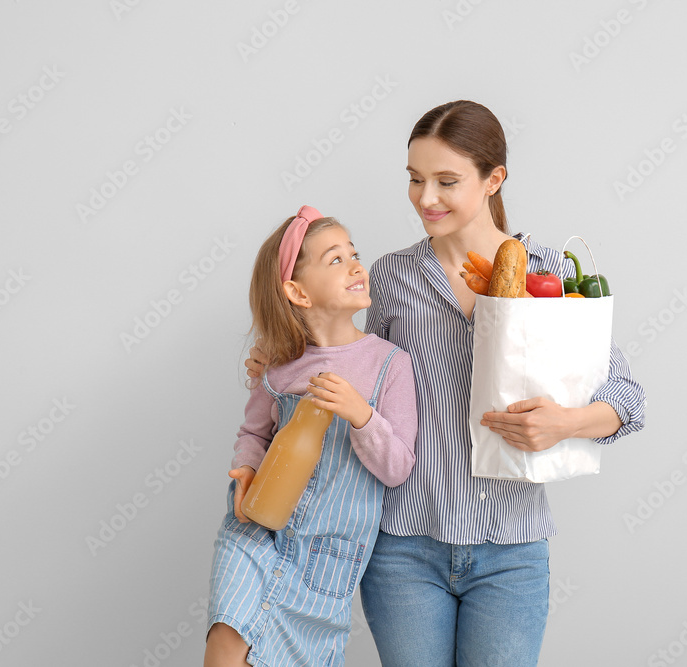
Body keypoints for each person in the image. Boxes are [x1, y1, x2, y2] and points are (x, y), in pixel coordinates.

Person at [247, 101, 646, 666]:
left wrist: (564, 424)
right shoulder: (391, 277)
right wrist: (275, 351)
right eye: (415, 179)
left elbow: (628, 398)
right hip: (403, 549)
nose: (425, 198)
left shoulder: (548, 272)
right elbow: (345, 353)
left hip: (511, 550)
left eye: (446, 181)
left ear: (494, 180)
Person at [205, 206, 417, 667]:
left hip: (326, 551)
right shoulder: (277, 363)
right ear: (297, 292)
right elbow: (254, 434)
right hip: (256, 531)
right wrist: (245, 468)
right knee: (224, 652)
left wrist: (362, 415)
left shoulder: (389, 364)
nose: (357, 265)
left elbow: (398, 467)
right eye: (335, 260)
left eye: (354, 254)